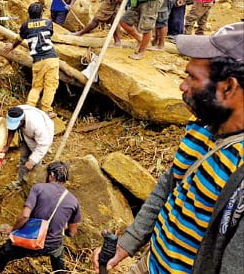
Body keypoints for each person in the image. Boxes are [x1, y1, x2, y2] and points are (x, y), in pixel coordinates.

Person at [92, 22, 244, 274]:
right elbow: (170, 182)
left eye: (192, 78)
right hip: (150, 263)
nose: (182, 86)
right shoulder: (202, 124)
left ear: (228, 87)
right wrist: (127, 243)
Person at [0, 161, 82, 274]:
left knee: (0, 256)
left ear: (51, 175)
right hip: (52, 245)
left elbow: (24, 216)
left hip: (30, 241)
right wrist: (60, 227)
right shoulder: (73, 201)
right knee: (59, 261)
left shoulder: (38, 188)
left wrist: (13, 230)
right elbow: (72, 232)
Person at [4, 3, 60, 118]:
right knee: (50, 85)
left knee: (36, 86)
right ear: (41, 13)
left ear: (29, 14)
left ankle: (29, 107)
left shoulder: (25, 26)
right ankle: (46, 110)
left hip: (37, 60)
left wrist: (12, 46)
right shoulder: (48, 23)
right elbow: (49, 33)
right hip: (51, 58)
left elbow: (19, 39)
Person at [0, 105, 55, 189]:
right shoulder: (15, 113)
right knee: (23, 157)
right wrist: (7, 145)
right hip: (25, 134)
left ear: (22, 121)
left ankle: (34, 186)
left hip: (41, 139)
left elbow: (43, 144)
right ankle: (20, 181)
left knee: (35, 163)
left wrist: (32, 161)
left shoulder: (37, 126)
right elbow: (11, 130)